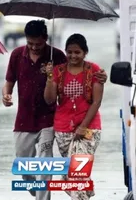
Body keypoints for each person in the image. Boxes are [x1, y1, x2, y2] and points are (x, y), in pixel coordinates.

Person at [1, 20, 106, 200]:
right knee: (23, 163)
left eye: (38, 44)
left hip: (48, 121)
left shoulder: (56, 56)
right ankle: (36, 186)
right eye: (30, 43)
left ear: (46, 39)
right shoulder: (17, 55)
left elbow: (77, 65)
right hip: (24, 119)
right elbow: (9, 82)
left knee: (45, 163)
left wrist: (101, 76)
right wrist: (6, 95)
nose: (34, 47)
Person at [44, 33, 103, 200]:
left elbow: (97, 101)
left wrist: (83, 126)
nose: (73, 56)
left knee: (76, 173)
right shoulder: (58, 71)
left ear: (85, 53)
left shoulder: (94, 71)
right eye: (69, 52)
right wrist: (49, 77)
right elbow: (49, 99)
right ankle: (85, 190)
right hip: (63, 129)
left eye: (77, 52)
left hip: (89, 128)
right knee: (72, 175)